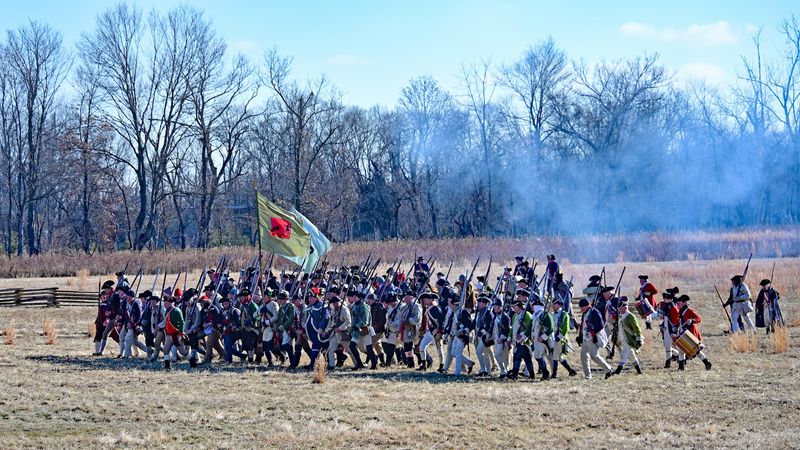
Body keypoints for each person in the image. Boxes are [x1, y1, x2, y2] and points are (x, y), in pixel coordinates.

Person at [577, 298, 614, 380]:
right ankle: (588, 376)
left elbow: (601, 325)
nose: (581, 309)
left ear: (587, 306)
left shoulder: (594, 312)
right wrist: (580, 336)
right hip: (585, 338)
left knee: (594, 356)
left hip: (593, 338)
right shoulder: (585, 314)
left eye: (582, 307)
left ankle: (608, 369)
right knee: (583, 356)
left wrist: (593, 333)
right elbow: (583, 325)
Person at [674, 295, 712, 371]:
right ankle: (681, 366)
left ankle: (707, 362)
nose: (678, 304)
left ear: (684, 302)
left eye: (679, 302)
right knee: (681, 349)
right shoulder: (680, 311)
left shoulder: (689, 310)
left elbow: (699, 319)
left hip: (691, 333)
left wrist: (692, 321)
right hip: (683, 333)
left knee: (696, 351)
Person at [442, 297, 474, 376]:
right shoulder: (454, 313)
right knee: (453, 353)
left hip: (462, 336)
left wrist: (462, 331)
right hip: (455, 336)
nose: (450, 307)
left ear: (455, 305)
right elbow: (450, 325)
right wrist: (446, 335)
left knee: (457, 353)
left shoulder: (463, 312)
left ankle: (457, 372)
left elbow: (470, 325)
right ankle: (469, 362)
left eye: (452, 305)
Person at [349, 290, 377, 370]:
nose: (354, 298)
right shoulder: (355, 306)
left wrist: (357, 326)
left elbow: (365, 320)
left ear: (360, 298)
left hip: (364, 330)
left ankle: (374, 364)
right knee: (352, 346)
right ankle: (359, 364)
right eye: (353, 296)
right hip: (356, 330)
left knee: (369, 348)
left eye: (355, 297)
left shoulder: (364, 306)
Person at [613, 299, 643, 375]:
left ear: (625, 308)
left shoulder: (630, 316)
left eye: (620, 308)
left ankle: (618, 371)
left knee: (624, 354)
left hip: (629, 339)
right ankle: (639, 371)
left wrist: (639, 339)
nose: (619, 310)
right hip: (623, 339)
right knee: (631, 355)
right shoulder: (622, 316)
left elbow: (636, 328)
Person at [508, 298, 535, 381]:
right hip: (515, 341)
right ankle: (530, 374)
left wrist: (522, 336)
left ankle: (515, 375)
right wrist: (509, 338)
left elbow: (529, 328)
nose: (513, 308)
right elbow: (512, 329)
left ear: (519, 306)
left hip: (524, 341)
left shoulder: (527, 315)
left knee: (520, 357)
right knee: (521, 358)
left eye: (514, 306)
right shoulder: (514, 316)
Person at [550, 298, 578, 378]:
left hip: (560, 338)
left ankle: (554, 374)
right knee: (559, 357)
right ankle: (571, 370)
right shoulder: (552, 314)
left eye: (555, 304)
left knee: (555, 355)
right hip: (553, 337)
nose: (553, 305)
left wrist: (559, 337)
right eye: (553, 304)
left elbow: (566, 328)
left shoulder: (565, 314)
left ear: (559, 305)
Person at [653, 290, 680, 368]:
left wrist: (674, 331)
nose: (665, 299)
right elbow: (665, 319)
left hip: (670, 330)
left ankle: (668, 363)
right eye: (664, 298)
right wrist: (662, 325)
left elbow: (676, 321)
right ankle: (679, 356)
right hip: (666, 329)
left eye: (666, 298)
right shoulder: (666, 307)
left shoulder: (673, 308)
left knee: (668, 346)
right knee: (666, 346)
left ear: (671, 299)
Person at [418, 292, 444, 372]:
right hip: (430, 331)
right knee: (422, 347)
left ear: (432, 300)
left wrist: (439, 332)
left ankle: (441, 366)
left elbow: (441, 321)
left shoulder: (435, 309)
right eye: (425, 299)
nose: (425, 301)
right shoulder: (428, 308)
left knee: (439, 349)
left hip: (436, 332)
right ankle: (423, 365)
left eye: (427, 299)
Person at [325, 295, 352, 371]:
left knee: (349, 350)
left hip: (342, 334)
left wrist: (340, 328)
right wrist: (327, 330)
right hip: (334, 333)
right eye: (333, 303)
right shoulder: (334, 310)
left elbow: (348, 321)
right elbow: (331, 321)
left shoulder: (344, 310)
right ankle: (331, 366)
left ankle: (357, 364)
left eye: (336, 302)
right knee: (331, 350)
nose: (334, 304)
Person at [304, 293, 329, 369]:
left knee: (317, 347)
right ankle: (314, 364)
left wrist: (321, 328)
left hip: (319, 332)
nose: (310, 299)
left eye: (312, 298)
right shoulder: (311, 306)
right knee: (320, 348)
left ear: (316, 298)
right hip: (313, 332)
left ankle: (313, 365)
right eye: (309, 298)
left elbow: (326, 317)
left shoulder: (322, 306)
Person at [160, 296, 185, 370]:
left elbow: (181, 322)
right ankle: (167, 365)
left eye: (166, 302)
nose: (165, 304)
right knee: (165, 349)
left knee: (182, 351)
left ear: (171, 303)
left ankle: (192, 361)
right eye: (164, 302)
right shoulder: (167, 311)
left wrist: (181, 333)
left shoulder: (176, 310)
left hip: (176, 334)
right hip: (169, 334)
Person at [531, 298, 553, 380]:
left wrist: (543, 337)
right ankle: (545, 372)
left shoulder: (545, 315)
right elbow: (532, 328)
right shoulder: (536, 316)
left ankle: (546, 372)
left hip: (542, 340)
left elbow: (550, 328)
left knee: (538, 355)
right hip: (536, 340)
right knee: (538, 355)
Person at [490, 299, 511, 379]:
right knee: (499, 355)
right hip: (496, 339)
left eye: (496, 307)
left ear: (500, 307)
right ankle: (503, 372)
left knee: (497, 355)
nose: (494, 309)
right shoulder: (495, 316)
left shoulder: (505, 317)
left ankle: (504, 371)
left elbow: (507, 329)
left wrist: (501, 338)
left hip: (502, 340)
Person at [473, 295, 494, 377]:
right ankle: (486, 371)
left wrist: (482, 332)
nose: (478, 304)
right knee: (485, 354)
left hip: (485, 336)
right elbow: (475, 322)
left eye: (480, 302)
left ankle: (484, 369)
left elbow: (489, 326)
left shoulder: (488, 313)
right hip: (478, 335)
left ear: (485, 304)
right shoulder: (478, 312)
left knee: (479, 352)